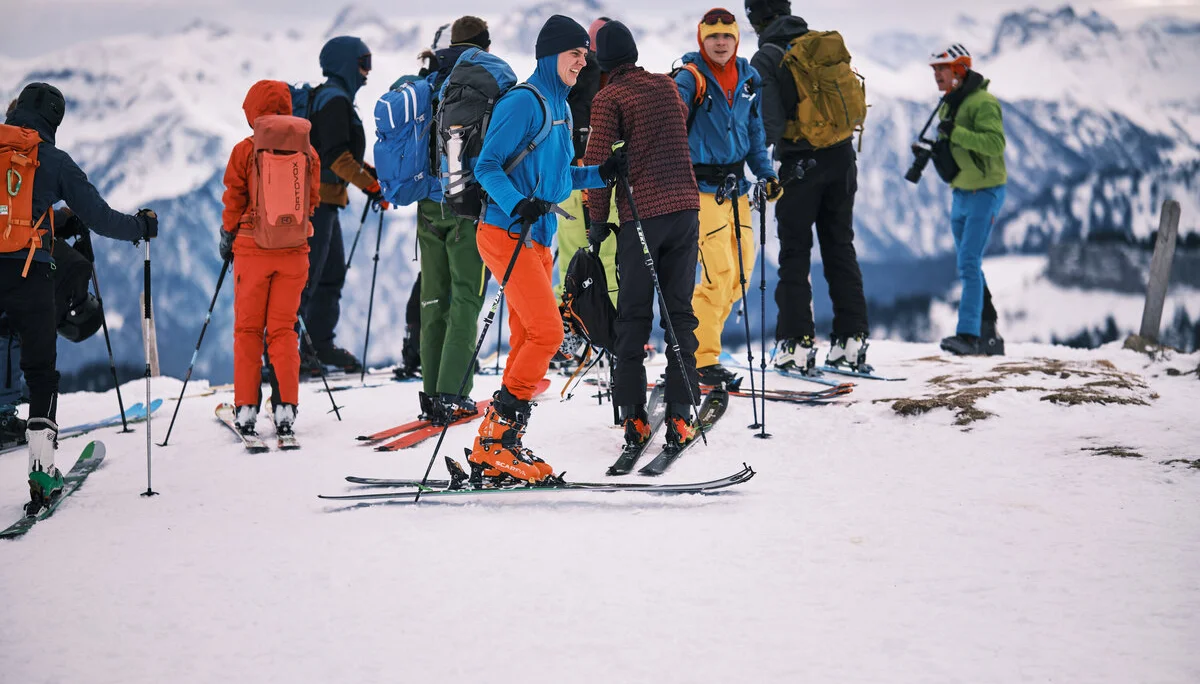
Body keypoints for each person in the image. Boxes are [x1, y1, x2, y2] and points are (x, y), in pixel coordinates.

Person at [472, 15, 625, 481]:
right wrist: (517, 203)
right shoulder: (524, 102)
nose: (581, 62)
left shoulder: (562, 108)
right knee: (547, 334)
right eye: (573, 54)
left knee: (526, 339)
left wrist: (602, 172)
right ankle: (495, 441)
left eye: (584, 55)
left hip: (539, 238)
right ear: (549, 54)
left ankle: (499, 445)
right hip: (505, 231)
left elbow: (559, 181)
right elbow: (487, 165)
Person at [2, 82, 156, 513]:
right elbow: (102, 217)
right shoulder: (51, 159)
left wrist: (54, 219)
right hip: (29, 275)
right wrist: (139, 228)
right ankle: (40, 474)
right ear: (54, 121)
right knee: (42, 374)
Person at [584, 20, 703, 454]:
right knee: (680, 315)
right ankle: (680, 415)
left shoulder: (608, 97)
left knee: (633, 316)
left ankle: (633, 416)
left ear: (601, 59)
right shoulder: (668, 87)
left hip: (641, 216)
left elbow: (597, 169)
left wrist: (597, 222)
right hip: (686, 209)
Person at [745, 0, 871, 373]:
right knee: (840, 246)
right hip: (843, 158)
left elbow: (767, 125)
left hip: (800, 164)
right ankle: (852, 340)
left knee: (795, 254)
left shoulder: (767, 56)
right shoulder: (817, 44)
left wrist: (754, 164)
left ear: (756, 18)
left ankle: (796, 345)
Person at [676, 7, 781, 388]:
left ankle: (701, 351)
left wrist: (766, 174)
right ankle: (703, 360)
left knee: (740, 276)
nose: (720, 43)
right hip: (701, 190)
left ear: (736, 39)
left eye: (726, 36)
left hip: (737, 189)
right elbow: (672, 126)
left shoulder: (749, 77)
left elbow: (754, 134)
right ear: (701, 39)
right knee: (717, 275)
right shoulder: (690, 79)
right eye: (712, 37)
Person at [219, 80, 321, 437]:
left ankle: (246, 408)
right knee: (283, 330)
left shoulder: (244, 151)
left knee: (248, 330)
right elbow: (313, 201)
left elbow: (233, 198)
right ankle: (285, 409)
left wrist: (228, 234)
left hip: (252, 251)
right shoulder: (309, 152)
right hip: (294, 253)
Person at [409, 16, 492, 425]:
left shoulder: (429, 81)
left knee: (433, 299)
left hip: (427, 208)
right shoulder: (483, 79)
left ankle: (431, 391)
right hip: (465, 208)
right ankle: (454, 393)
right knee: (465, 298)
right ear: (484, 43)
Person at [300, 35, 380, 375]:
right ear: (346, 63)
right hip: (315, 204)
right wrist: (371, 185)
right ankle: (290, 350)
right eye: (363, 63)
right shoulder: (334, 100)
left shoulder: (335, 98)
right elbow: (335, 156)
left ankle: (317, 345)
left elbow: (339, 154)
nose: (366, 72)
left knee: (329, 275)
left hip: (326, 203)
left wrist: (368, 175)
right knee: (309, 279)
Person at [928, 44, 1007, 356]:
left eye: (942, 69)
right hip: (961, 191)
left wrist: (956, 133)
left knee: (968, 263)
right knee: (969, 264)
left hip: (984, 193)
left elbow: (994, 143)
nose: (936, 75)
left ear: (959, 70)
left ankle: (969, 336)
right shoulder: (950, 103)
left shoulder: (983, 102)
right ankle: (988, 332)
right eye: (934, 69)